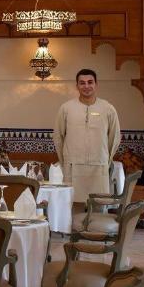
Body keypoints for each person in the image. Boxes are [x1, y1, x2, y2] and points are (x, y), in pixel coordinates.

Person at [52, 68, 121, 202]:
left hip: (99, 167)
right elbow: (58, 137)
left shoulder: (108, 109)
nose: (86, 86)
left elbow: (115, 137)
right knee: (73, 207)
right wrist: (65, 161)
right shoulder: (66, 108)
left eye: (90, 82)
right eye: (82, 83)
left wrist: (105, 159)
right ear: (77, 86)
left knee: (99, 207)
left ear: (96, 84)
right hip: (73, 167)